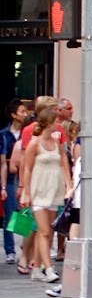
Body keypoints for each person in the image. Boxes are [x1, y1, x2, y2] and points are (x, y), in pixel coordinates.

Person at [17, 104, 69, 281]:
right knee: (44, 230)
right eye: (55, 121)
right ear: (48, 123)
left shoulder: (56, 143)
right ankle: (48, 268)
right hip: (39, 190)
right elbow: (27, 168)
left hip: (54, 189)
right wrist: (26, 191)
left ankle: (37, 268)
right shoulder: (34, 143)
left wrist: (68, 186)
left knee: (46, 231)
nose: (58, 125)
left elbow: (63, 163)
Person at [2, 99, 31, 269]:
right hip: (13, 179)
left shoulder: (28, 133)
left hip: (24, 177)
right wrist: (4, 187)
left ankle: (24, 249)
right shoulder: (4, 134)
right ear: (13, 115)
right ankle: (9, 250)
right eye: (21, 111)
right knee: (10, 214)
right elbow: (4, 164)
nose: (25, 114)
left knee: (24, 213)